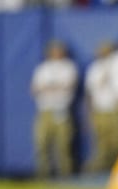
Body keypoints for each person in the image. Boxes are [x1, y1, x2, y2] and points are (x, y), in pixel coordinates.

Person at [30, 39, 78, 179]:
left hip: (61, 109)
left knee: (63, 144)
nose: (56, 53)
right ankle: (43, 173)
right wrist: (53, 87)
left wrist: (49, 87)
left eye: (59, 50)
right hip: (45, 109)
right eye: (54, 50)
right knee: (41, 143)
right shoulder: (43, 68)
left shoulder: (68, 67)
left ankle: (65, 174)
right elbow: (34, 88)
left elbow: (69, 85)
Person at [83, 42, 118, 173]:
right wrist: (90, 113)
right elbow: (90, 92)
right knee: (102, 142)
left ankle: (116, 167)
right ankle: (102, 169)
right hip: (100, 109)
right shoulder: (94, 68)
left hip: (115, 109)